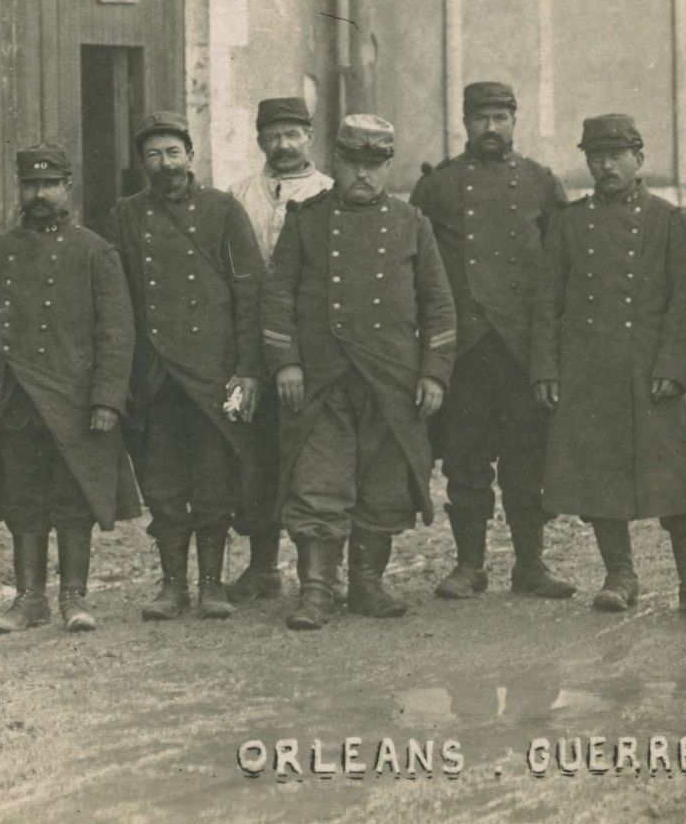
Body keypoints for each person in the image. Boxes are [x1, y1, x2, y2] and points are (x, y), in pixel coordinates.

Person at [530, 114, 686, 623]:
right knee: (600, 476)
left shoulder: (667, 219)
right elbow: (548, 303)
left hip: (649, 372)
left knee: (677, 477)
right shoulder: (569, 223)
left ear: (639, 159)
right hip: (588, 370)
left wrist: (672, 367)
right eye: (596, 157)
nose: (606, 166)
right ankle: (619, 574)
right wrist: (547, 370)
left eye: (616, 155)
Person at [263, 114, 456, 631]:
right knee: (317, 482)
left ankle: (368, 583)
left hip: (392, 381)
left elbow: (438, 306)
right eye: (353, 164)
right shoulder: (305, 221)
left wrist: (434, 372)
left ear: (388, 166)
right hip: (322, 379)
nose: (363, 176)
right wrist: (286, 363)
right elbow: (277, 300)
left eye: (375, 165)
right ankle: (317, 590)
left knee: (385, 485)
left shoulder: (413, 223)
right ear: (336, 162)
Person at [410, 80, 575, 601]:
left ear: (514, 121)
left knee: (526, 463)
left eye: (500, 118)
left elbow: (562, 269)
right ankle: (469, 565)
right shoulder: (438, 187)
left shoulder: (540, 183)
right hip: (464, 350)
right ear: (465, 123)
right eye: (481, 119)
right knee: (466, 460)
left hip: (522, 350)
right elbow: (416, 269)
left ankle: (530, 564)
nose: (490, 128)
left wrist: (551, 356)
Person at [0, 144, 139, 634]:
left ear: (69, 187)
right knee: (24, 500)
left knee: (73, 499)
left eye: (49, 184)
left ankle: (74, 596)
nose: (40, 194)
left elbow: (116, 330)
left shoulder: (95, 252)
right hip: (17, 404)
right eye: (31, 185)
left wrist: (108, 397)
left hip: (78, 403)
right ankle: (29, 599)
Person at [108, 111, 265, 622]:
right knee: (164, 485)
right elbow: (119, 299)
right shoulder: (125, 216)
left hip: (213, 374)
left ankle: (213, 586)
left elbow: (249, 294)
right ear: (142, 163)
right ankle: (172, 585)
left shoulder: (224, 210)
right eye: (153, 155)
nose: (164, 163)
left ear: (191, 156)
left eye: (173, 152)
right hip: (155, 376)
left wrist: (247, 369)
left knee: (215, 481)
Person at [222, 95, 331, 602]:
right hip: (251, 347)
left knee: (315, 453)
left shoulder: (330, 194)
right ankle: (263, 565)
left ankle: (324, 570)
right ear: (259, 139)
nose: (284, 144)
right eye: (274, 135)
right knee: (255, 456)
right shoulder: (238, 196)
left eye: (293, 133)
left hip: (311, 348)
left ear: (309, 136)